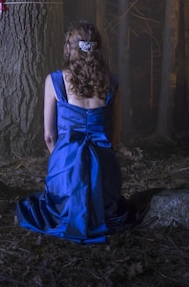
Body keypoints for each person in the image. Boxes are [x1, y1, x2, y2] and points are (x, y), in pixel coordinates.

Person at [15, 21, 135, 244]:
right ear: (96, 49)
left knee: (46, 203)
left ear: (69, 48)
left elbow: (49, 136)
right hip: (104, 166)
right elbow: (115, 138)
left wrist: (62, 159)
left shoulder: (55, 80)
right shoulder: (113, 83)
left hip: (66, 164)